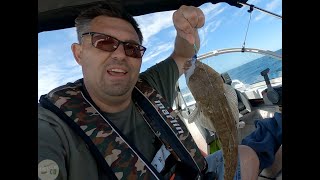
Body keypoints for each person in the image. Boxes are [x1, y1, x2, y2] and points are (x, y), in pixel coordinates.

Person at [38, 2, 262, 180]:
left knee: (246, 155)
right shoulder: (51, 127)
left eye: (132, 48)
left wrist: (186, 32)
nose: (120, 54)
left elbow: (184, 54)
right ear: (78, 53)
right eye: (104, 42)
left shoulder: (148, 86)